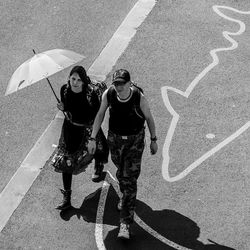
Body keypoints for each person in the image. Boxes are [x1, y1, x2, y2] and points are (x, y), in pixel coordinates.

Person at [88, 69, 158, 240]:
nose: (118, 87)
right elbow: (100, 114)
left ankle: (125, 224)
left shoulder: (138, 97)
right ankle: (125, 192)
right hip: (116, 140)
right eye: (116, 83)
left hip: (134, 141)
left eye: (121, 83)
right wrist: (92, 138)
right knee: (121, 172)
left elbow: (149, 118)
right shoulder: (109, 94)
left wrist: (153, 139)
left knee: (129, 179)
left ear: (129, 83)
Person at [55, 65, 109, 210]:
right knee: (66, 161)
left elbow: (97, 115)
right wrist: (62, 108)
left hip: (87, 128)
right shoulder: (64, 90)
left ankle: (99, 164)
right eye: (73, 78)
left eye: (79, 79)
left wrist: (92, 137)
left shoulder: (90, 95)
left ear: (84, 81)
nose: (75, 82)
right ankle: (67, 197)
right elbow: (67, 109)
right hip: (69, 129)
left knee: (96, 148)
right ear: (69, 78)